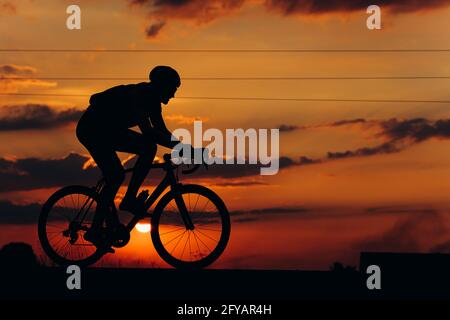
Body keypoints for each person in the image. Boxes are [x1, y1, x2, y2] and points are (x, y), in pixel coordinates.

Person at [76, 65, 187, 246]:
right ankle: (110, 216)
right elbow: (148, 133)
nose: (173, 95)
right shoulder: (140, 96)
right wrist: (182, 148)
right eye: (172, 89)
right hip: (92, 129)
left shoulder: (153, 102)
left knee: (122, 170)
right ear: (162, 85)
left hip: (107, 130)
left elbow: (162, 131)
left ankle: (108, 223)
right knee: (136, 157)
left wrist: (185, 147)